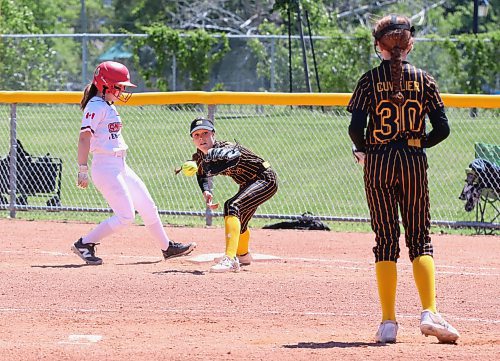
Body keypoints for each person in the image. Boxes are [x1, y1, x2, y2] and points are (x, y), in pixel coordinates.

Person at [347, 15, 459, 344]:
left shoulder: (368, 80)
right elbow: (443, 129)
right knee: (420, 239)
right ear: (409, 44)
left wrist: (366, 149)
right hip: (411, 161)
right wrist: (416, 143)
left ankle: (388, 323)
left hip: (378, 161)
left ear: (378, 46)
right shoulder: (424, 80)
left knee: (385, 240)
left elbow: (355, 127)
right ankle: (429, 312)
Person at [72, 61, 196, 265]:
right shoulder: (95, 105)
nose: (122, 90)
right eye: (119, 86)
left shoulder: (106, 104)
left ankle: (167, 248)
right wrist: (82, 169)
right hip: (105, 167)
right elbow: (84, 138)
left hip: (120, 165)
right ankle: (84, 243)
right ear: (105, 85)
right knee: (126, 216)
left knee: (147, 206)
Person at [188, 117, 278, 273]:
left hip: (264, 178)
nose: (201, 138)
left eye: (205, 133)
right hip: (247, 184)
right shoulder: (200, 156)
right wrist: (206, 190)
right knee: (240, 221)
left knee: (232, 205)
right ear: (192, 139)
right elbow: (201, 173)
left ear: (213, 134)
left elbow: (233, 154)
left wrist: (215, 161)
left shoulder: (225, 147)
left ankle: (230, 259)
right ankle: (242, 255)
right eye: (196, 135)